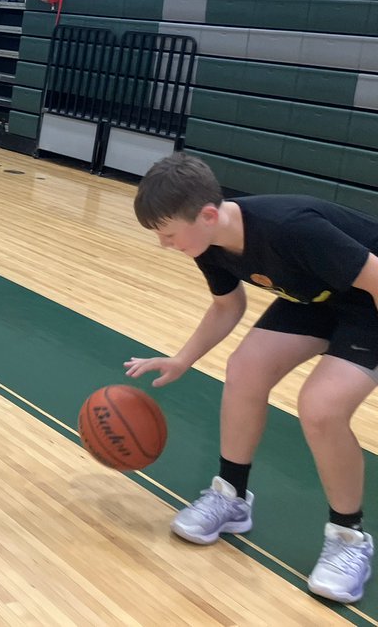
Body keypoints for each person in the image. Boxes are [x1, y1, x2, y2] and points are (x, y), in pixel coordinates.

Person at [125, 152, 378, 604]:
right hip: (316, 297)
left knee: (321, 407)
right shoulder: (210, 243)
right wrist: (183, 359)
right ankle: (231, 496)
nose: (165, 245)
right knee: (244, 369)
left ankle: (349, 538)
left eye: (168, 235)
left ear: (206, 215)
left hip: (368, 301)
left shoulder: (291, 228)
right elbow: (229, 305)